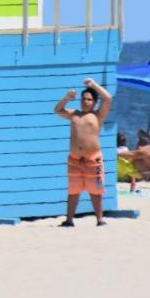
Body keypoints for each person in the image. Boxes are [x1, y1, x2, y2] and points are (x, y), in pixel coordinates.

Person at [54, 78, 112, 227]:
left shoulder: (98, 115)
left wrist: (93, 85)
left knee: (97, 190)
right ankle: (69, 220)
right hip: (74, 160)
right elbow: (57, 110)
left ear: (94, 102)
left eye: (89, 99)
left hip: (94, 160)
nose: (85, 102)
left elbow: (107, 98)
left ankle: (100, 219)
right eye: (83, 99)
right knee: (73, 191)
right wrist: (67, 98)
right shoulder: (74, 114)